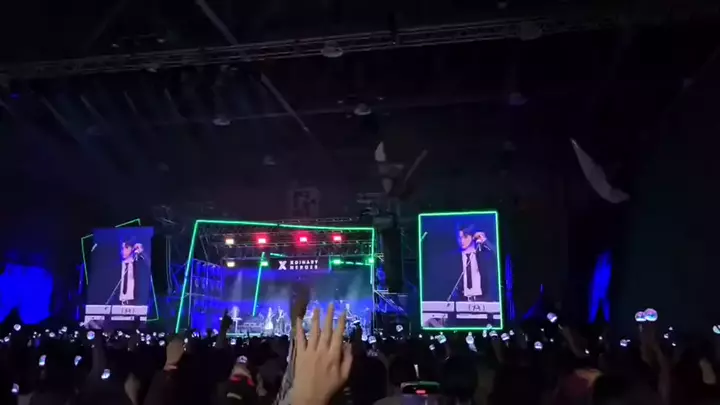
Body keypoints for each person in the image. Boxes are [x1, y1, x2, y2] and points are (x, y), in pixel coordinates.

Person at [457, 226, 498, 302]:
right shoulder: (456, 258)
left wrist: (485, 241)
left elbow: (498, 255)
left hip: (483, 299)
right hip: (463, 300)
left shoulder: (482, 253)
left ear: (472, 237)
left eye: (465, 237)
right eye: (460, 238)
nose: (462, 241)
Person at [119, 241, 146, 305]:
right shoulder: (120, 265)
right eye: (122, 248)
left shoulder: (137, 262)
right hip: (121, 301)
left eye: (126, 247)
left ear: (132, 248)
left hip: (134, 301)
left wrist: (141, 253)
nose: (123, 250)